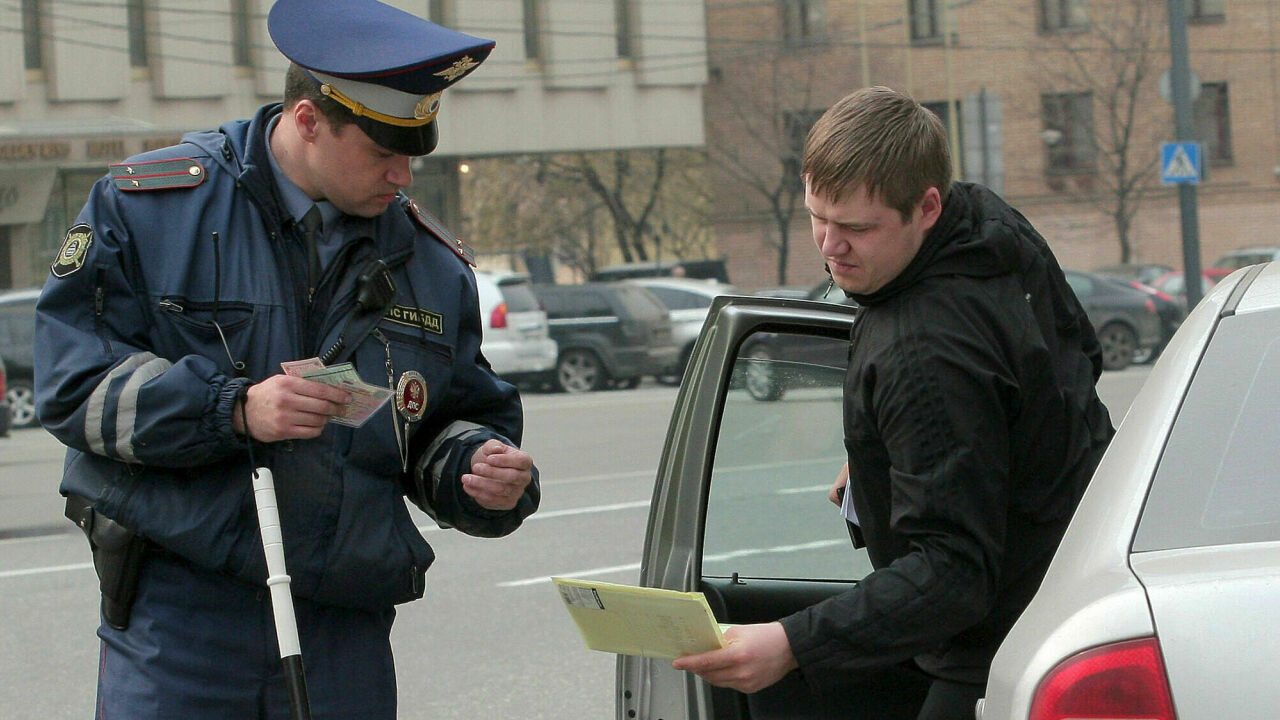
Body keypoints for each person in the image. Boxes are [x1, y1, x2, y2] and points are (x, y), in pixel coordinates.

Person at [33, 1, 539, 717]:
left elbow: (444, 418)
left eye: (413, 152)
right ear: (307, 120)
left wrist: (477, 468)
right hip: (182, 614)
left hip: (343, 621)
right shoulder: (150, 208)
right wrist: (234, 409)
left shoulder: (429, 263)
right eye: (382, 150)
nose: (403, 176)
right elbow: (71, 384)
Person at [673, 86, 1115, 719]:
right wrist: (898, 450)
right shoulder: (988, 226)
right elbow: (1073, 363)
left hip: (994, 649)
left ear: (926, 206)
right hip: (1076, 585)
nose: (829, 246)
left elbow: (953, 573)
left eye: (855, 227)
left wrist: (790, 643)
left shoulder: (923, 349)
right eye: (817, 217)